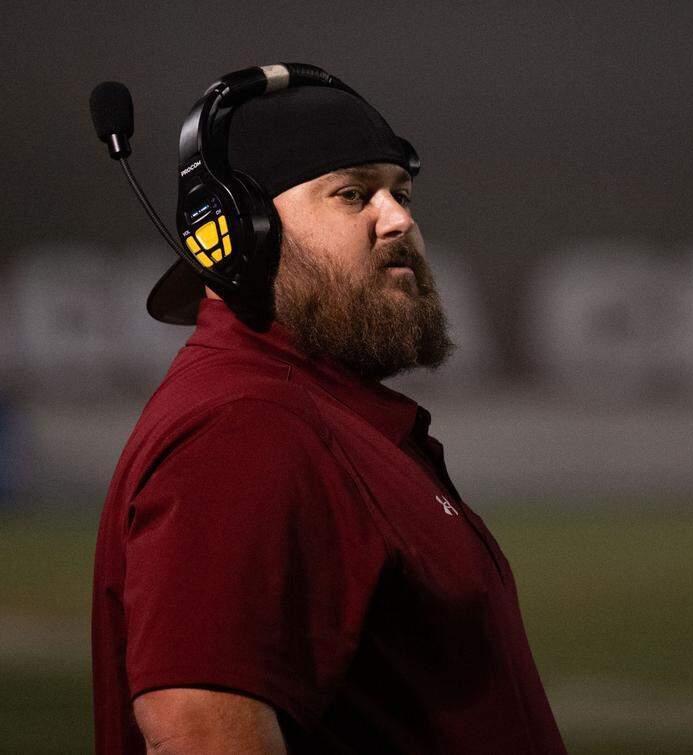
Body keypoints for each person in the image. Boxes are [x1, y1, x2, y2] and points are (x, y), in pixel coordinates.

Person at [91, 78, 566, 754]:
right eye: (352, 193)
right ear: (235, 234)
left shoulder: (311, 415)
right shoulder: (246, 426)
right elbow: (197, 729)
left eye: (401, 192)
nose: (399, 217)